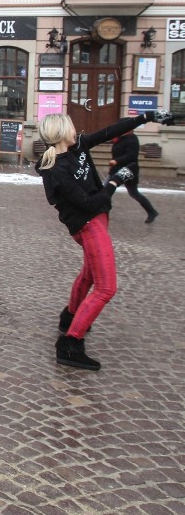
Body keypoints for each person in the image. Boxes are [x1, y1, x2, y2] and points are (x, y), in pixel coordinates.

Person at [34, 110, 171, 371]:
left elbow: (112, 131)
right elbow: (89, 204)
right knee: (106, 288)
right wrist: (115, 181)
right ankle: (70, 344)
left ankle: (69, 317)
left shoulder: (80, 146)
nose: (77, 131)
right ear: (62, 133)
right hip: (88, 225)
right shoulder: (57, 170)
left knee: (88, 275)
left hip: (97, 221)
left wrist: (147, 116)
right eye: (72, 127)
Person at [108, 129, 159, 223]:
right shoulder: (120, 138)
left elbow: (131, 156)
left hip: (128, 170)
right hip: (116, 170)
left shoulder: (132, 139)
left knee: (133, 193)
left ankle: (152, 211)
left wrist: (116, 161)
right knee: (106, 191)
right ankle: (100, 212)